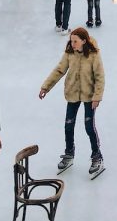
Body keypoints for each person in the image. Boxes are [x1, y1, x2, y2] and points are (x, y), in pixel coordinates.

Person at [39, 27, 105, 177]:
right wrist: (46, 87)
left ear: (84, 41)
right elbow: (59, 70)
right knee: (68, 126)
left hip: (89, 96)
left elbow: (100, 77)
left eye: (75, 41)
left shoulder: (94, 55)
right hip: (73, 94)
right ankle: (69, 153)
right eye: (71, 41)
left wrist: (97, 96)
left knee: (89, 127)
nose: (72, 43)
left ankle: (97, 156)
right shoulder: (69, 53)